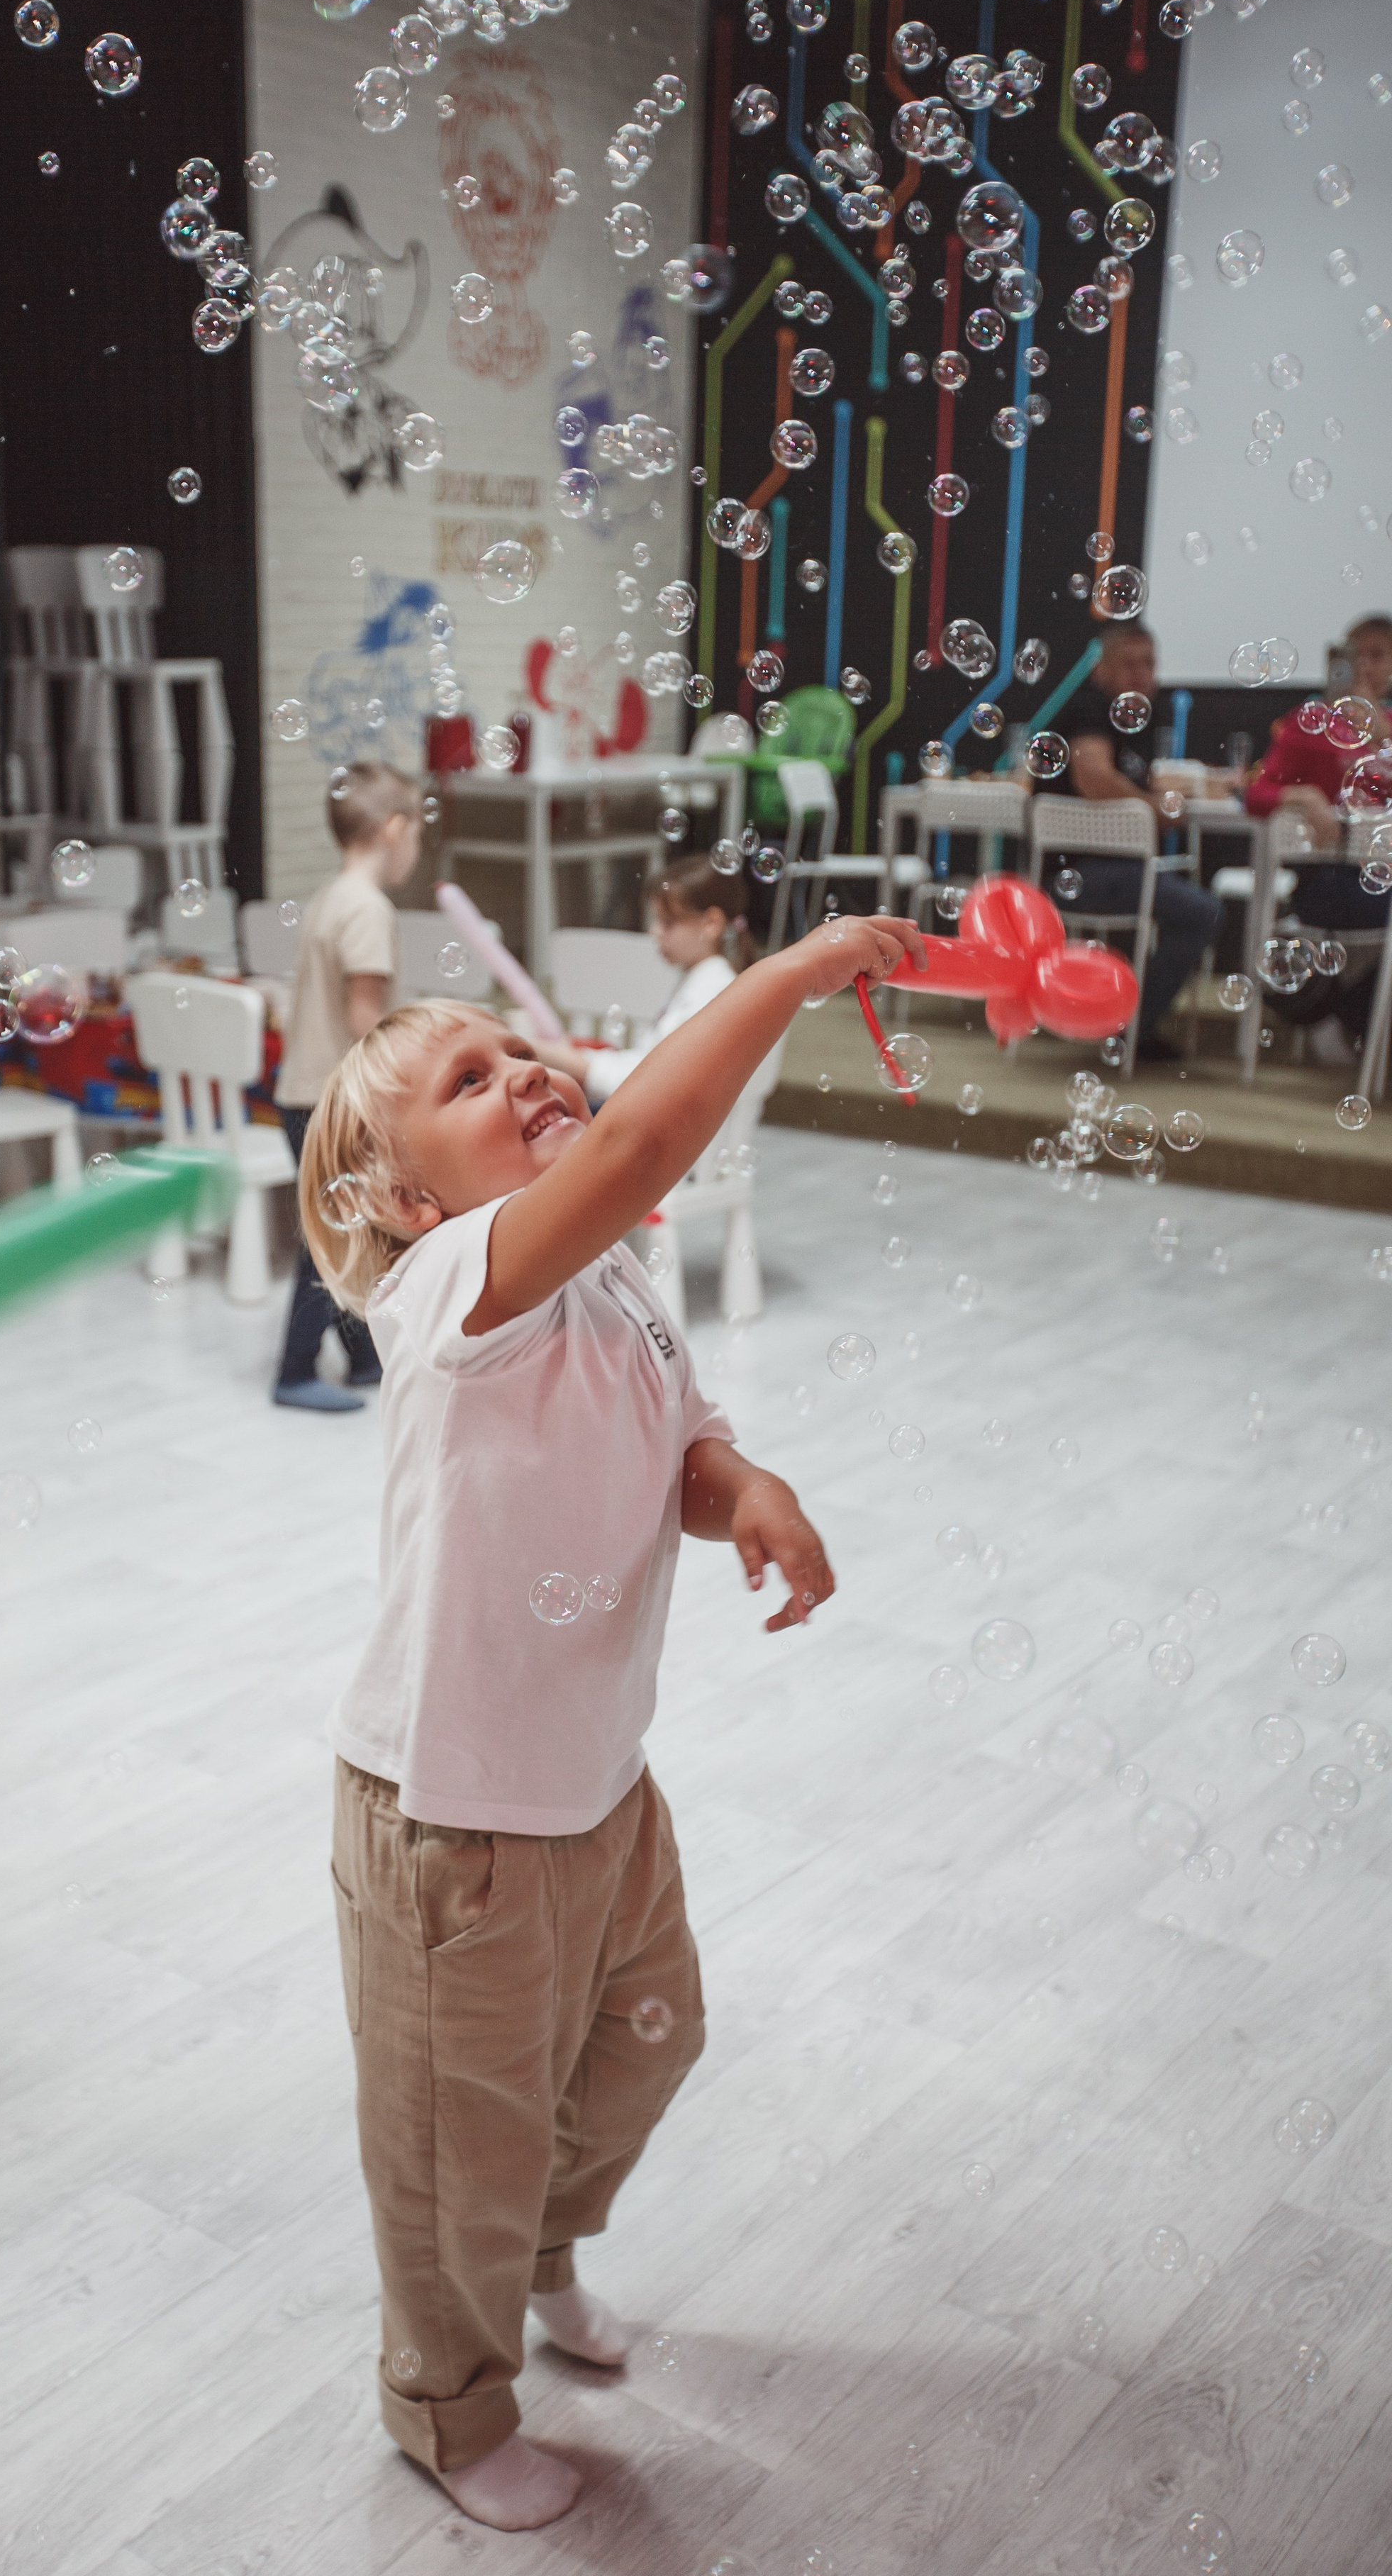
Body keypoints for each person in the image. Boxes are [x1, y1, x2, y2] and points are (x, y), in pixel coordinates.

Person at [297, 904, 925, 2530]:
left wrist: (748, 1488)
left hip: (594, 1786)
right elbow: (649, 1123)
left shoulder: (618, 1280)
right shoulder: (450, 1284)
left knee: (644, 2038)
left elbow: (683, 1444)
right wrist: (788, 972)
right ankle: (445, 2404)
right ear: (404, 1197)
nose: (516, 1069)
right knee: (456, 2150)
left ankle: (549, 2248)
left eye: (517, 1049)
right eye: (465, 1075)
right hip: (452, 1828)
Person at [272, 761, 421, 1411]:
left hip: (303, 1093)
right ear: (394, 830)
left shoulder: (328, 898)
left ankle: (364, 1360)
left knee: (353, 1233)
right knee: (333, 1245)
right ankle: (295, 1371)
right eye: (416, 830)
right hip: (336, 1101)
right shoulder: (369, 909)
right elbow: (366, 1018)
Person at [1037, 623, 1224, 1061]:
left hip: (1104, 873)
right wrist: (1153, 807)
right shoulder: (1091, 710)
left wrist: (1179, 791)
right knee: (1204, 912)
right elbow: (1094, 777)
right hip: (1086, 873)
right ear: (1101, 668)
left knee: (1191, 909)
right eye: (1130, 663)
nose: (1143, 674)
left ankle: (1125, 1019)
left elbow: (1133, 776)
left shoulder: (1124, 719)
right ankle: (1129, 1024)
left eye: (1150, 663)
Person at [1242, 611, 1392, 1057]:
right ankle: (1349, 1023)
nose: (1366, 667)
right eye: (1356, 656)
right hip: (1327, 884)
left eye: (1380, 656)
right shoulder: (1308, 726)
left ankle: (1342, 1018)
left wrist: (1377, 730)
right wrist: (1302, 797)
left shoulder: (1386, 730)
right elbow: (1257, 794)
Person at [528, 852, 755, 1103]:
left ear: (711, 923)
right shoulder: (704, 976)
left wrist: (571, 1062)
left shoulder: (712, 989)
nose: (654, 931)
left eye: (668, 923)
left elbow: (654, 1083)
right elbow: (650, 1062)